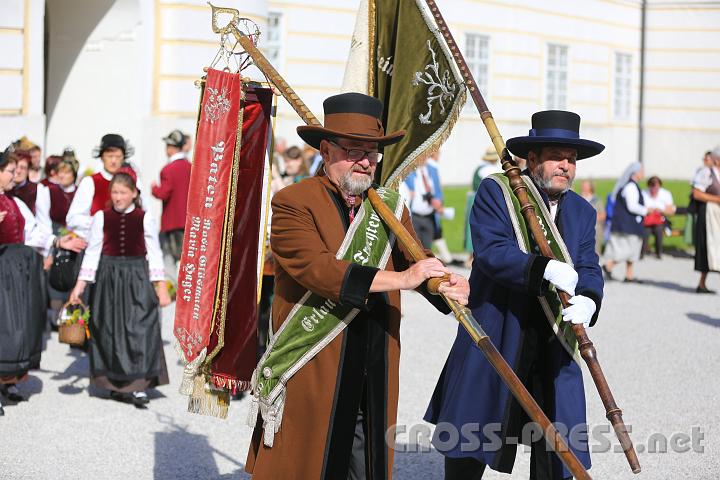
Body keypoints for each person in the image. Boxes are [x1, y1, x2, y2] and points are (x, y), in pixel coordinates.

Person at [245, 92, 470, 479]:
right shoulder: (292, 202)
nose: (365, 161)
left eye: (372, 152)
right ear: (326, 150)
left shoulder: (388, 206)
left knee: (366, 461)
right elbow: (316, 269)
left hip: (376, 352)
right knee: (311, 459)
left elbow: (414, 260)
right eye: (353, 151)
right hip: (317, 355)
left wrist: (443, 285)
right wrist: (402, 279)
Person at [426, 110, 605, 480]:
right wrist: (543, 268)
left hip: (553, 338)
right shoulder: (498, 192)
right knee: (471, 430)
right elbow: (492, 252)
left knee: (557, 443)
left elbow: (588, 265)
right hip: (500, 324)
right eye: (557, 156)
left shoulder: (583, 212)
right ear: (534, 158)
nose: (566, 167)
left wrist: (589, 298)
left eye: (572, 160)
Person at [69, 169, 170, 407]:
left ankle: (138, 386)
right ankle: (114, 384)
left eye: (123, 192)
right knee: (109, 330)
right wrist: (80, 286)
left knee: (139, 329)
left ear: (134, 193)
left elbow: (155, 254)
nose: (117, 197)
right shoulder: (101, 217)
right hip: (108, 278)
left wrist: (161, 287)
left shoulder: (145, 217)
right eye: (114, 192)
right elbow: (93, 253)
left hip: (136, 277)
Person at [0, 148, 84, 416]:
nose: (15, 176)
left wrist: (59, 241)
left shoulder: (15, 202)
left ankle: (8, 381)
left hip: (16, 271)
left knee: (16, 328)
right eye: (10, 171)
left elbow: (33, 232)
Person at [66, 134, 144, 240]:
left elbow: (145, 213)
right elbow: (73, 218)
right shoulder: (90, 182)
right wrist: (101, 222)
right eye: (109, 156)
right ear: (102, 157)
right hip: (98, 243)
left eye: (117, 156)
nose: (113, 161)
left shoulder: (134, 181)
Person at [151, 129, 192, 280]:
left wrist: (154, 188)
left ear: (170, 148)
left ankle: (171, 294)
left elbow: (163, 193)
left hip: (171, 224)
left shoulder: (168, 169)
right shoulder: (191, 167)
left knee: (169, 261)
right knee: (187, 262)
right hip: (188, 223)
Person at [602, 162, 647, 282]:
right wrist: (646, 210)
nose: (643, 173)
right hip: (628, 225)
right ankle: (608, 266)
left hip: (628, 225)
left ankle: (629, 275)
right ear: (635, 173)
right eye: (642, 171)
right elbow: (632, 207)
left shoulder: (632, 186)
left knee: (633, 251)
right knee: (628, 250)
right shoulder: (630, 187)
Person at [465, 147, 502, 262]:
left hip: (475, 198)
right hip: (483, 199)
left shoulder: (480, 168)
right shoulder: (489, 169)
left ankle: (471, 256)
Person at [691, 146, 720, 293]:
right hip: (708, 213)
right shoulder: (706, 173)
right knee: (707, 246)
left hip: (718, 214)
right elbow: (696, 193)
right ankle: (702, 283)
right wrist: (716, 199)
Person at [403, 155, 444, 249]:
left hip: (429, 216)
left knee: (427, 248)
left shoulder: (432, 171)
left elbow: (437, 191)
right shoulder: (410, 171)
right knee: (415, 248)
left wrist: (439, 202)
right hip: (414, 216)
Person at [641, 176, 676, 259]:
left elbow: (671, 211)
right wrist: (648, 210)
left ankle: (658, 252)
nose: (654, 191)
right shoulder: (643, 193)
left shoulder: (665, 194)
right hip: (647, 220)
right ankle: (641, 252)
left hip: (660, 220)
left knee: (658, 229)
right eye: (652, 188)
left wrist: (660, 211)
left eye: (656, 188)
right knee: (646, 231)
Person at [579, 179, 605, 256]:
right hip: (580, 230)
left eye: (586, 185)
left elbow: (603, 215)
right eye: (583, 185)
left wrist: (590, 218)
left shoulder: (597, 200)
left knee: (595, 252)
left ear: (590, 187)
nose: (584, 187)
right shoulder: (577, 198)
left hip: (595, 229)